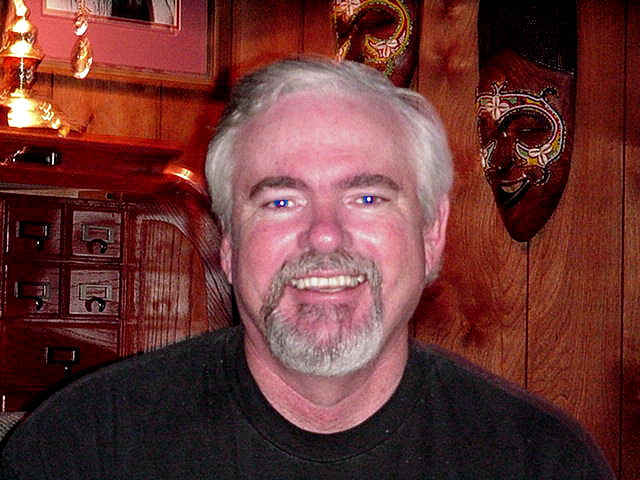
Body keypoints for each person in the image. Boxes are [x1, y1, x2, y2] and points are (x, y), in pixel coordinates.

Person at [0, 58, 614, 479]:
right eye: (280, 201)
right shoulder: (83, 448)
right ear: (228, 244)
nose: (324, 234)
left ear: (432, 233)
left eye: (367, 198)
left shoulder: (539, 461)